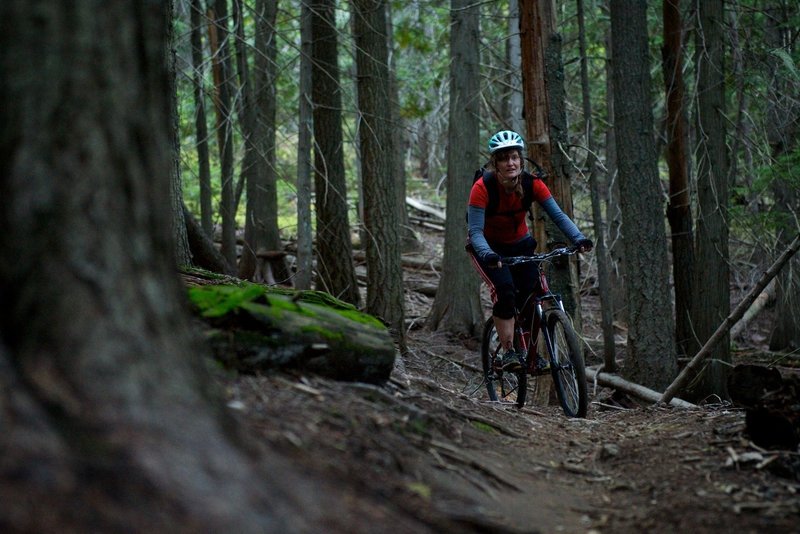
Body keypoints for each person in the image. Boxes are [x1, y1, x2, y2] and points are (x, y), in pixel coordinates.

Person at [467, 130, 593, 372]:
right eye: (504, 158)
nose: (510, 163)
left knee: (533, 292)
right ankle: (509, 352)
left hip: (520, 243)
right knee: (505, 290)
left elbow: (557, 215)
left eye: (514, 157)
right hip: (488, 249)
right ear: (496, 163)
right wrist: (489, 255)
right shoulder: (482, 188)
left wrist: (578, 238)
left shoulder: (532, 183)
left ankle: (533, 355)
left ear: (521, 160)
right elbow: (475, 232)